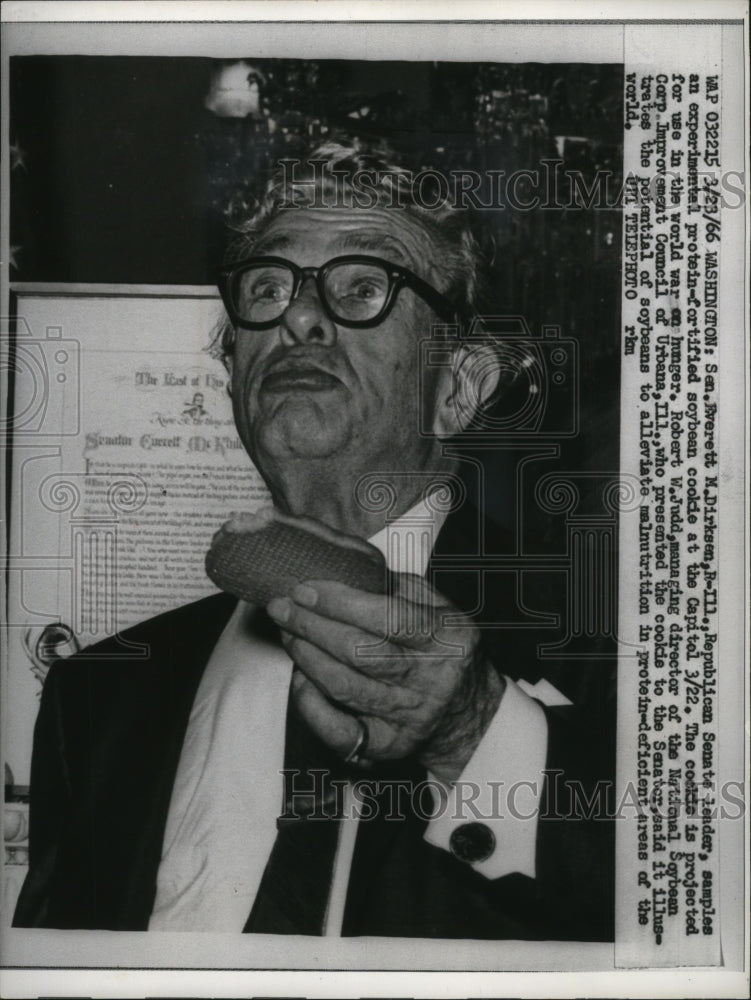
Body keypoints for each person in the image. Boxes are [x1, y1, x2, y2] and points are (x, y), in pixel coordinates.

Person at [14, 142, 614, 939]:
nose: (296, 316)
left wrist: (471, 730)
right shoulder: (96, 698)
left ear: (460, 384)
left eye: (362, 286)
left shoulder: (609, 631)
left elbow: (697, 907)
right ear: (232, 372)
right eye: (266, 288)